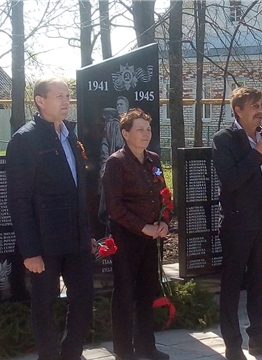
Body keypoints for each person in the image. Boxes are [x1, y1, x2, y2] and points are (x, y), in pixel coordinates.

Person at [6, 77, 96, 360]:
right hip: (45, 242)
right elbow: (19, 200)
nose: (66, 101)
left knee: (83, 299)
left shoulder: (70, 135)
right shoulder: (25, 140)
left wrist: (88, 233)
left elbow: (79, 192)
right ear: (40, 101)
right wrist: (30, 251)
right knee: (44, 305)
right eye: (58, 96)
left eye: (67, 95)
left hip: (77, 239)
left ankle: (71, 354)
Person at [212, 86, 262, 360]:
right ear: (238, 110)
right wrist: (257, 154)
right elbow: (231, 180)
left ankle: (259, 338)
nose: (261, 111)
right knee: (232, 285)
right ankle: (232, 344)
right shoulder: (224, 139)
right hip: (236, 224)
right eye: (255, 106)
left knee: (260, 282)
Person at [102, 108, 170, 360]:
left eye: (148, 129)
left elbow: (164, 195)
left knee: (146, 291)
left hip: (151, 237)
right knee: (125, 294)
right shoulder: (116, 162)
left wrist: (164, 221)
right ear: (125, 133)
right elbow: (115, 207)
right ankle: (123, 350)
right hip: (127, 237)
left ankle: (146, 346)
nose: (146, 134)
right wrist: (144, 227)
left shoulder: (153, 159)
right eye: (140, 129)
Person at [99, 96, 130, 228]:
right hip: (111, 166)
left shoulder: (132, 124)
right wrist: (105, 162)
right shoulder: (110, 124)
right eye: (117, 104)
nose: (118, 106)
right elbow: (105, 143)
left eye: (121, 104)